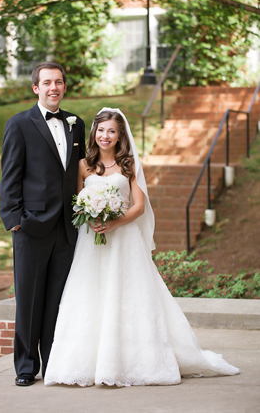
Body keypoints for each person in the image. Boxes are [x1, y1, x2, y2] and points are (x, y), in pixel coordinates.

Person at [44, 108, 239, 387]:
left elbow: (139, 206)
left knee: (129, 295)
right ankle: (87, 363)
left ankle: (136, 361)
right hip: (93, 243)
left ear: (120, 134)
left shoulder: (129, 164)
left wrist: (114, 222)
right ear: (93, 133)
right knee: (91, 295)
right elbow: (78, 200)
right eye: (101, 130)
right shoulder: (83, 165)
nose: (105, 136)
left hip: (124, 240)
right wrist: (92, 215)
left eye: (112, 131)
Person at [0, 62, 85, 386]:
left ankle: (54, 364)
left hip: (66, 229)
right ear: (36, 88)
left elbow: (77, 172)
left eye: (59, 82)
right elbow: (10, 177)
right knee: (29, 301)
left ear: (64, 87)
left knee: (57, 302)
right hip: (31, 227)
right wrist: (15, 221)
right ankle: (25, 366)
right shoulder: (19, 124)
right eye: (47, 82)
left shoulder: (76, 124)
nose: (54, 87)